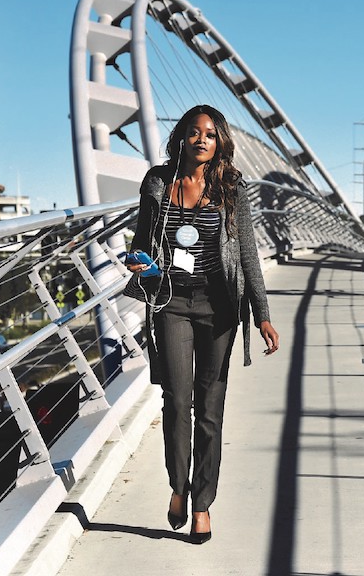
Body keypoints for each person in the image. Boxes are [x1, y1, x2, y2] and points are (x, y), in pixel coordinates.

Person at [126, 104, 280, 544]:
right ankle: (177, 486)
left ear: (219, 142)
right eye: (194, 132)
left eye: (209, 134)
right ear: (181, 137)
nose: (201, 139)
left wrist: (262, 314)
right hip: (171, 301)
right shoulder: (157, 182)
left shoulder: (231, 186)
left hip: (219, 310)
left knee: (209, 410)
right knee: (177, 401)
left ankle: (201, 504)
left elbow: (247, 253)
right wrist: (139, 264)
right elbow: (141, 242)